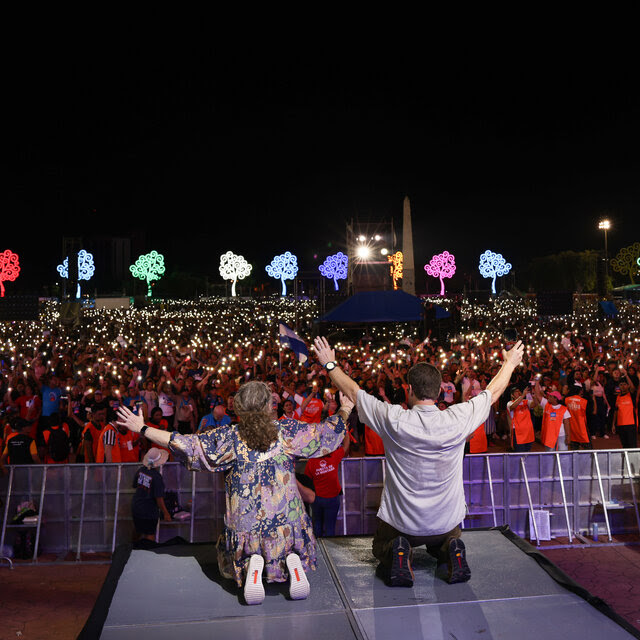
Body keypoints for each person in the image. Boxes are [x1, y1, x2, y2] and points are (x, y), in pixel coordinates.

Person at [312, 335, 524, 587]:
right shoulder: (456, 418)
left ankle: (397, 550)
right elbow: (493, 393)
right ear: (437, 391)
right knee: (448, 538)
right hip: (445, 522)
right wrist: (510, 364)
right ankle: (451, 548)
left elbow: (354, 393)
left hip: (403, 524)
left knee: (381, 545)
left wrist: (329, 365)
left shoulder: (394, 419)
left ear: (409, 390)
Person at [116, 380, 352, 605]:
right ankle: (292, 559)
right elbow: (327, 433)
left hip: (245, 522)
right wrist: (345, 408)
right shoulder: (287, 431)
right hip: (286, 519)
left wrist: (143, 428)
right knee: (289, 532)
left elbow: (184, 443)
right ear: (268, 406)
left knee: (245, 534)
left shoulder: (228, 437)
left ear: (240, 407)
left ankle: (252, 562)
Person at [304, 430, 350, 537]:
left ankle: (318, 551)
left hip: (317, 499)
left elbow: (307, 481)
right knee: (330, 528)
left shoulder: (311, 462)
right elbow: (346, 445)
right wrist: (345, 431)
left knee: (317, 527)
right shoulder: (334, 456)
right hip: (332, 499)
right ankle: (329, 549)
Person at [132, 447, 172, 542]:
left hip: (136, 506)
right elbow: (159, 498)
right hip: (149, 510)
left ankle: (132, 551)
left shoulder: (141, 470)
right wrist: (166, 513)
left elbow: (135, 485)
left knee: (138, 531)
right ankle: (149, 554)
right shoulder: (156, 477)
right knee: (149, 534)